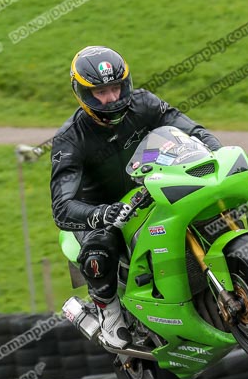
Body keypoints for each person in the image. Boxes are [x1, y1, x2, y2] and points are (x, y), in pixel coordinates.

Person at [50, 45, 222, 349]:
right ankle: (110, 315)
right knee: (99, 246)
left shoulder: (144, 104)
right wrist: (101, 214)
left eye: (115, 87)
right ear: (83, 93)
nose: (111, 98)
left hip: (150, 189)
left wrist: (215, 149)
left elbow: (188, 128)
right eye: (100, 92)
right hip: (101, 212)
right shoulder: (70, 139)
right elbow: (62, 206)